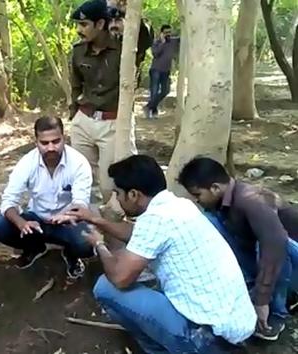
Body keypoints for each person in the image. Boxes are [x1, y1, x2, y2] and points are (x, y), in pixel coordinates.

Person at [60, 155, 256, 352]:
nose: (117, 200)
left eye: (118, 193)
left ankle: (162, 349)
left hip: (206, 337)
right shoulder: (179, 205)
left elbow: (120, 279)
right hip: (235, 326)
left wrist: (100, 245)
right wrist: (96, 220)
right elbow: (137, 234)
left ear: (134, 194)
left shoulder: (155, 219)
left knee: (105, 287)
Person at [179, 157, 298, 341]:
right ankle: (254, 290)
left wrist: (262, 300)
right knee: (209, 223)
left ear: (215, 188)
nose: (197, 201)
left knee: (271, 244)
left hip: (287, 256)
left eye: (198, 195)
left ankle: (277, 313)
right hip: (272, 257)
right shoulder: (222, 202)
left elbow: (275, 247)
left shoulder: (251, 201)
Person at [0, 116, 94, 281]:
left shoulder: (79, 163)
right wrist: (22, 223)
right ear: (36, 142)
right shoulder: (27, 163)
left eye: (56, 141)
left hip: (68, 222)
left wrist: (68, 216)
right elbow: (8, 201)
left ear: (64, 138)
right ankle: (34, 248)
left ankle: (71, 255)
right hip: (36, 222)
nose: (51, 148)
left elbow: (81, 203)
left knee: (88, 242)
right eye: (44, 143)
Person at [69, 0, 136, 203]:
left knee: (111, 186)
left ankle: (112, 225)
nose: (80, 30)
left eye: (84, 25)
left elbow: (144, 36)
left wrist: (125, 10)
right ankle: (81, 227)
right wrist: (75, 115)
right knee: (79, 181)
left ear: (100, 24)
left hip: (113, 124)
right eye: (78, 25)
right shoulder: (78, 51)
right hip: (84, 122)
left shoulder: (125, 47)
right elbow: (75, 85)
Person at [144, 24, 179, 119]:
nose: (168, 34)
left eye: (169, 32)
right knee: (154, 92)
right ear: (162, 33)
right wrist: (162, 43)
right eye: (166, 32)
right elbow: (155, 53)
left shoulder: (174, 41)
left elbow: (183, 38)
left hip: (166, 70)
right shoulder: (156, 42)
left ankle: (149, 107)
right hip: (156, 70)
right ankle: (153, 111)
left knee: (165, 90)